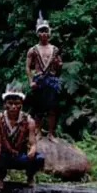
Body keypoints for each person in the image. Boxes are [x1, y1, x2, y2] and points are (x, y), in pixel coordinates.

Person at [0, 82, 44, 190]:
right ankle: (0, 177)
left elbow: (33, 143)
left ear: (21, 104)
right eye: (10, 103)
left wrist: (32, 151)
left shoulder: (29, 121)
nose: (13, 106)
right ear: (4, 104)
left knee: (39, 158)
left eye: (16, 103)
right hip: (5, 155)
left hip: (22, 155)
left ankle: (30, 176)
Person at [25, 12, 63, 143]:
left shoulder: (55, 50)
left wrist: (58, 64)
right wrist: (31, 81)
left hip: (51, 80)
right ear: (37, 33)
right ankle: (39, 132)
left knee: (52, 108)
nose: (44, 34)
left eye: (46, 31)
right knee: (38, 109)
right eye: (41, 31)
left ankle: (51, 134)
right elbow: (28, 67)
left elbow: (58, 66)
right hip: (38, 80)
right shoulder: (32, 50)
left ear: (49, 33)